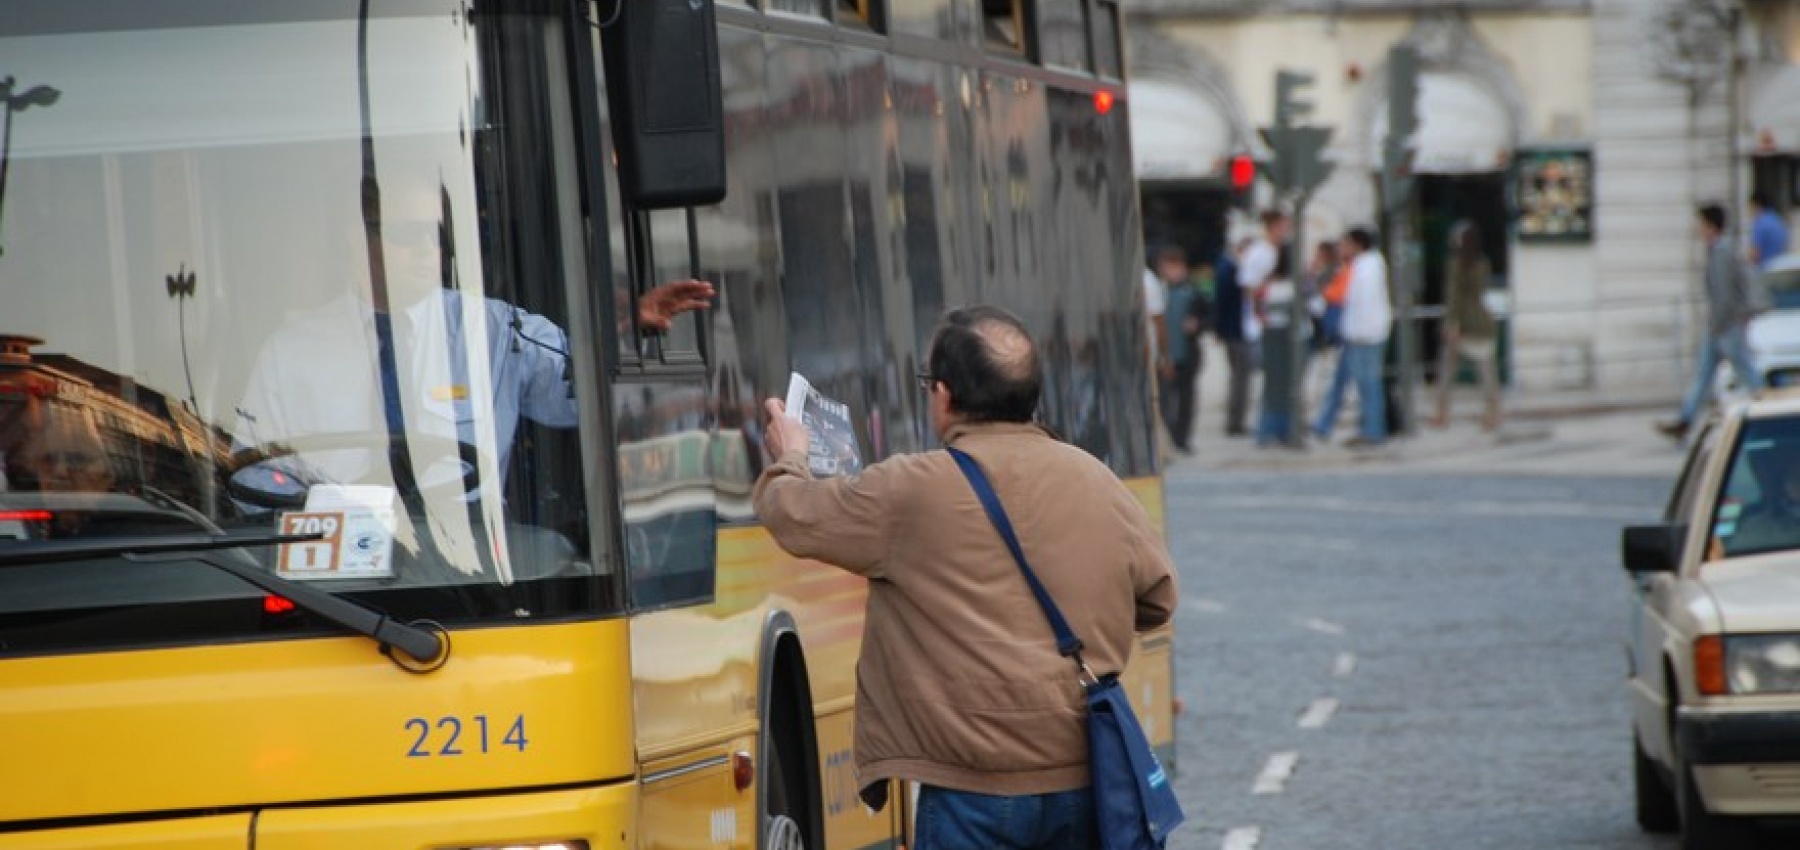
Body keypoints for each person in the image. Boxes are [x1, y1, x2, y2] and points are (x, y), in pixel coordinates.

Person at [752, 305, 1177, 848]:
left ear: (945, 396)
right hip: (1086, 777)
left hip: (970, 791)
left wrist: (791, 455)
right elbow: (1158, 597)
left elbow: (793, 514)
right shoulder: (1097, 478)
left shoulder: (911, 490)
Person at [1659, 204, 1761, 439]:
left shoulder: (1722, 253)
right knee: (1704, 375)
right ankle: (1685, 420)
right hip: (1719, 326)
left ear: (1712, 226)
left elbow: (1724, 293)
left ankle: (1764, 402)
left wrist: (1719, 323)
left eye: (1702, 224)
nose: (1699, 230)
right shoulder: (1717, 251)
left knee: (1744, 369)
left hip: (1725, 326)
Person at [1311, 228, 1392, 447]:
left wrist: (1356, 333)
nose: (1341, 248)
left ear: (1357, 244)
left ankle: (1373, 431)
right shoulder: (1360, 267)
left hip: (1363, 335)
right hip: (1358, 333)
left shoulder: (1366, 269)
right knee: (1347, 381)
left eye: (1346, 244)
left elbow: (1358, 303)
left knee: (1368, 383)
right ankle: (1326, 424)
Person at [1430, 221, 1502, 431]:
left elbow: (1453, 296)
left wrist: (1451, 323)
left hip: (1461, 322)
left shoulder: (1455, 264)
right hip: (1481, 318)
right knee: (1487, 371)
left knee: (1447, 370)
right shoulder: (1483, 263)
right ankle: (1493, 413)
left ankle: (1441, 413)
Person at [1153, 244, 1206, 454]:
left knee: (1186, 399)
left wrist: (1198, 324)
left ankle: (1182, 438)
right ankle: (1166, 438)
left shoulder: (1193, 291)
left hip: (1187, 353)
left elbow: (1209, 316)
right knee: (1164, 400)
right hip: (1164, 356)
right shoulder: (1159, 290)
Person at [1214, 237, 1256, 436]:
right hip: (1236, 333)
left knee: (1240, 378)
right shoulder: (1230, 270)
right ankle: (1235, 422)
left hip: (1235, 331)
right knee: (1240, 378)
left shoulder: (1230, 268)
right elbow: (1223, 304)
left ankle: (1236, 420)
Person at [1750, 191, 1790, 272]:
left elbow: (1755, 254)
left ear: (1757, 205)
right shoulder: (1779, 221)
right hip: (1781, 269)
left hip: (1765, 272)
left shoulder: (1760, 223)